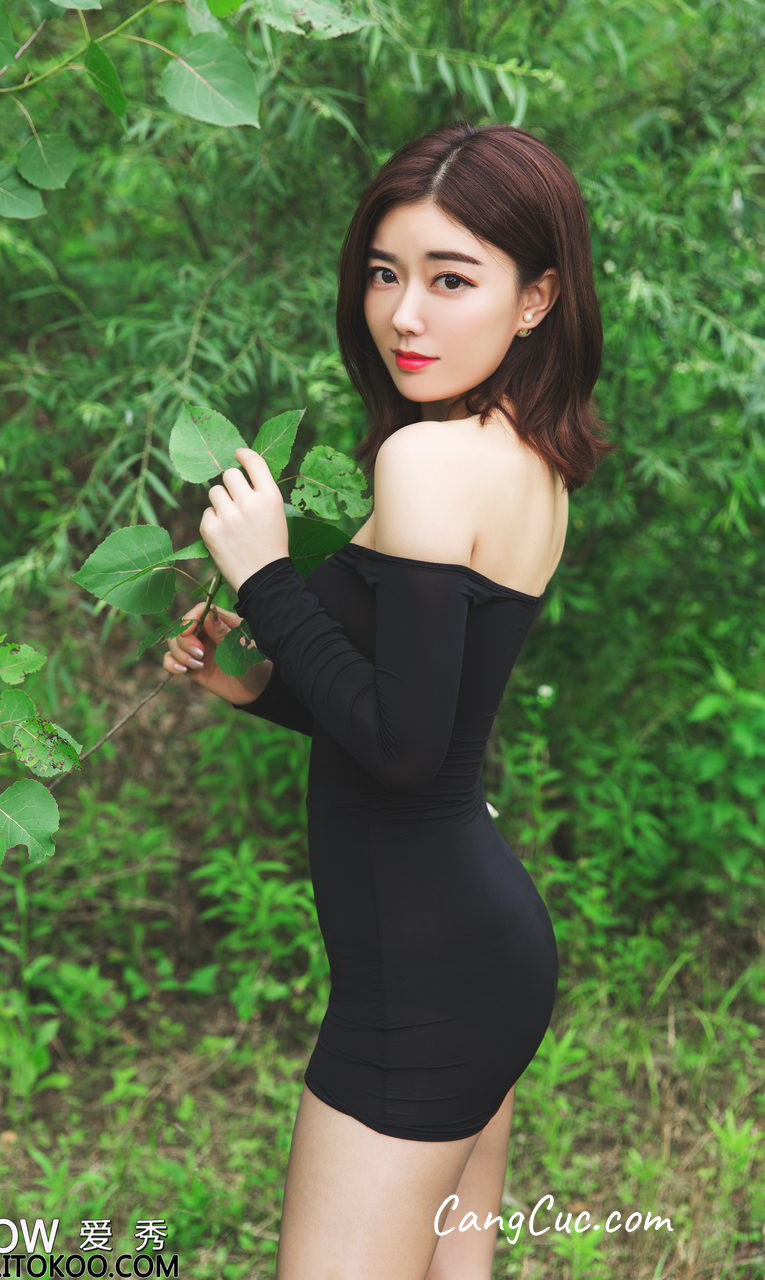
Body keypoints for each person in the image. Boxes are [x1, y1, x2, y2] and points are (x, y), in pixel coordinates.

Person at [164, 123, 609, 1280]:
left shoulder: (427, 461)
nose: (403, 314)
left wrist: (265, 575)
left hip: (422, 980)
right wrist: (259, 682)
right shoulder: (523, 457)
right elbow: (415, 718)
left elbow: (404, 749)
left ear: (535, 298)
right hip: (469, 951)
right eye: (382, 272)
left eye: (450, 279)